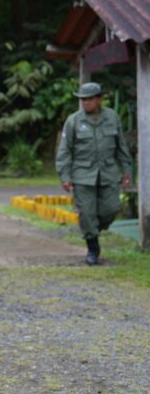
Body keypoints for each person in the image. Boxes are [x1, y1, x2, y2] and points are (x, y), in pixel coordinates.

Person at [56, 82, 132, 265]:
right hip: (82, 175)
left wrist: (127, 170)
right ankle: (93, 248)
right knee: (87, 214)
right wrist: (65, 176)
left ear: (99, 99)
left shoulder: (112, 118)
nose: (85, 103)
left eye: (89, 99)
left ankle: (94, 228)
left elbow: (121, 146)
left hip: (108, 173)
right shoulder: (73, 121)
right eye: (83, 99)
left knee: (111, 209)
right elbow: (64, 151)